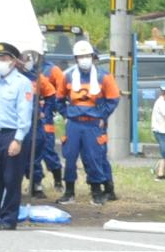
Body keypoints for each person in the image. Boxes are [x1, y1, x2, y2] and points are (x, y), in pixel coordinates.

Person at [0, 43, 34, 231]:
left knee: (11, 179)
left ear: (13, 61)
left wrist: (18, 139)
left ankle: (8, 219)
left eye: (4, 59)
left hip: (12, 134)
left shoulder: (22, 83)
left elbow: (24, 113)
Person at [60, 38, 120, 206]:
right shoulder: (68, 76)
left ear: (93, 56)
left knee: (94, 157)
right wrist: (66, 115)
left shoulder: (104, 77)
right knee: (69, 157)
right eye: (80, 56)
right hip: (74, 123)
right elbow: (58, 98)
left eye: (87, 55)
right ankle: (69, 191)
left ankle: (97, 191)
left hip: (93, 123)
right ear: (75, 58)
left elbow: (113, 99)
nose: (84, 59)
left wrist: (102, 116)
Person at [24, 49, 66, 200]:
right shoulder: (19, 74)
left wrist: (46, 111)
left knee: (47, 151)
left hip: (43, 121)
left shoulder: (52, 70)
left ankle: (57, 180)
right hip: (24, 121)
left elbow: (57, 92)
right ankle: (33, 182)